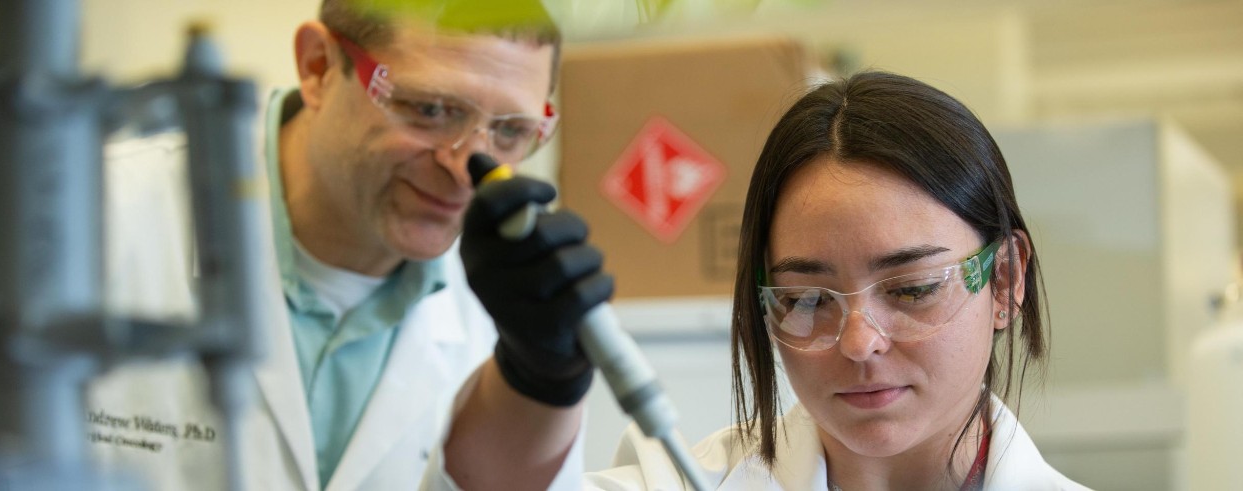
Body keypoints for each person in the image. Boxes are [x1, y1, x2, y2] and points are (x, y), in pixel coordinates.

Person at [0, 1, 611, 490]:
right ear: (319, 68)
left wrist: (544, 371)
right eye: (429, 109)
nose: (465, 164)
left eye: (511, 130)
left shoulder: (511, 299)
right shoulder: (89, 223)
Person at [432, 71, 1090, 489]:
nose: (858, 342)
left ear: (1004, 280)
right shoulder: (682, 482)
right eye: (806, 298)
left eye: (912, 288)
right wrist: (536, 370)